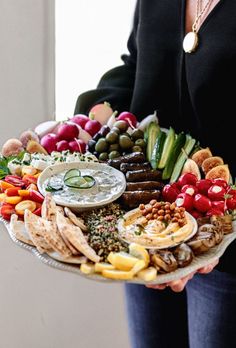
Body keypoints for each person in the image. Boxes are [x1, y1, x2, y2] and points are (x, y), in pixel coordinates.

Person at [74, 1, 236, 347]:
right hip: (145, 221)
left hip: (228, 249)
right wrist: (93, 114)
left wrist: (217, 231)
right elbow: (138, 63)